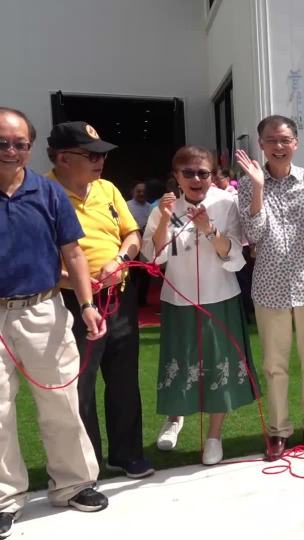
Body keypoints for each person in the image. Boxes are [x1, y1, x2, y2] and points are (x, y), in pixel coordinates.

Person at [0, 107, 109, 536]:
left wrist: (87, 304)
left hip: (43, 309)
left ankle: (73, 484)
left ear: (30, 147)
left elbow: (73, 253)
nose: (11, 151)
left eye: (19, 144)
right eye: (2, 143)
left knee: (61, 401)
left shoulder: (48, 192)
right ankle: (5, 497)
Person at [46, 121, 154, 479]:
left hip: (118, 296)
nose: (101, 161)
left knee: (124, 378)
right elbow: (37, 258)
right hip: (70, 302)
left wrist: (119, 260)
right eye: (91, 155)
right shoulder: (43, 193)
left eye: (103, 155)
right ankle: (86, 464)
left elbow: (132, 234)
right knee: (80, 383)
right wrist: (77, 282)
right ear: (63, 158)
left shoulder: (107, 189)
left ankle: (127, 454)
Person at [142, 145, 259, 465]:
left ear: (212, 175)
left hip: (220, 295)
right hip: (178, 297)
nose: (196, 179)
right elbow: (154, 258)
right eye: (188, 173)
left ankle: (214, 435)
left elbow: (233, 255)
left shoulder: (226, 203)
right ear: (176, 176)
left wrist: (209, 229)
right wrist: (165, 220)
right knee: (180, 359)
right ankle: (174, 418)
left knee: (219, 361)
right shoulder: (164, 207)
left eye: (203, 173)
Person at [236, 115, 304, 461]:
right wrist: (258, 189)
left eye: (284, 139)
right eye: (271, 140)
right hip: (270, 286)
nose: (278, 146)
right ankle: (279, 430)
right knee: (274, 363)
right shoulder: (248, 183)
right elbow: (254, 234)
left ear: (295, 143)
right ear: (260, 144)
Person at [127, 182, 152, 307]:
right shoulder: (126, 206)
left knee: (146, 274)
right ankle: (130, 301)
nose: (141, 194)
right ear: (133, 192)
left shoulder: (151, 207)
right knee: (132, 274)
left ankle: (142, 300)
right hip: (132, 244)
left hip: (147, 244)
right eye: (138, 191)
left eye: (143, 191)